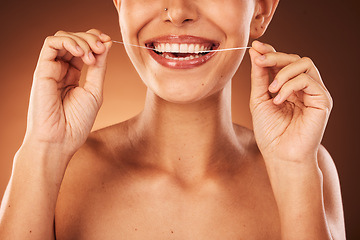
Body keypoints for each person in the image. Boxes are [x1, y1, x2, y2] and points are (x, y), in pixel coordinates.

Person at [0, 0, 346, 239]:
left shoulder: (305, 167)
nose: (179, 11)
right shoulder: (60, 170)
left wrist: (293, 171)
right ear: (120, 3)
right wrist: (43, 150)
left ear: (261, 10)